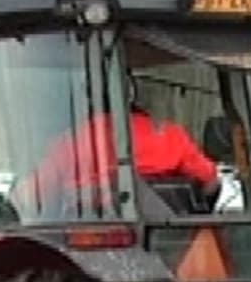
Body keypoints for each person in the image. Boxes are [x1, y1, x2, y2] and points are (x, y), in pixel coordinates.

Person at [19, 77, 221, 214]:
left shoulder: (71, 142)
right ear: (132, 95)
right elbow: (210, 182)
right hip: (173, 244)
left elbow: (32, 196)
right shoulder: (171, 134)